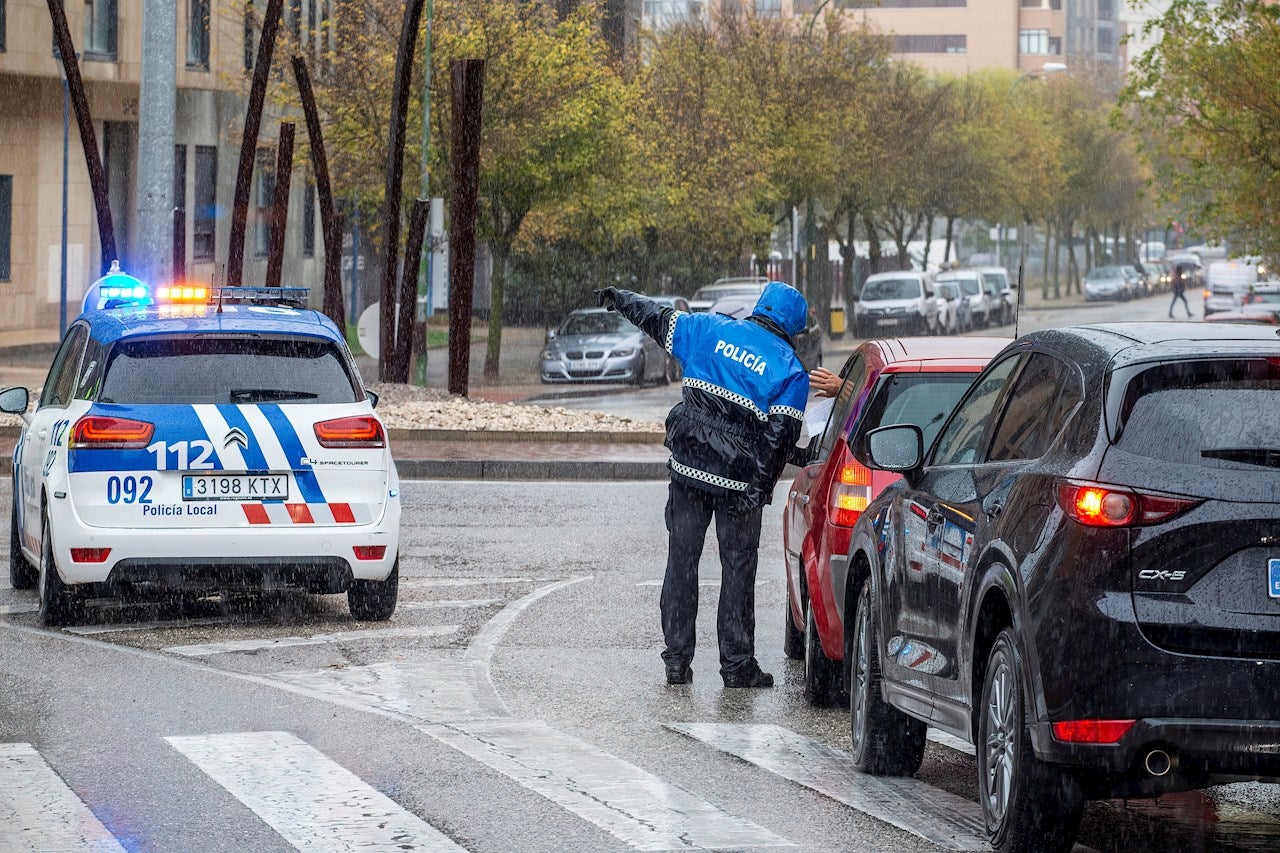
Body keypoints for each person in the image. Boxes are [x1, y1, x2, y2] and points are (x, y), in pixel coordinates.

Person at [595, 282, 810, 688]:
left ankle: (677, 660)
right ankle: (736, 666)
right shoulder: (790, 370)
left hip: (688, 469)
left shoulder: (710, 330)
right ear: (794, 326)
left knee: (682, 562)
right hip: (738, 481)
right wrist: (758, 491)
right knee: (737, 569)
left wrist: (620, 298)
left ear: (760, 307)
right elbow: (777, 441)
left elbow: (656, 318)